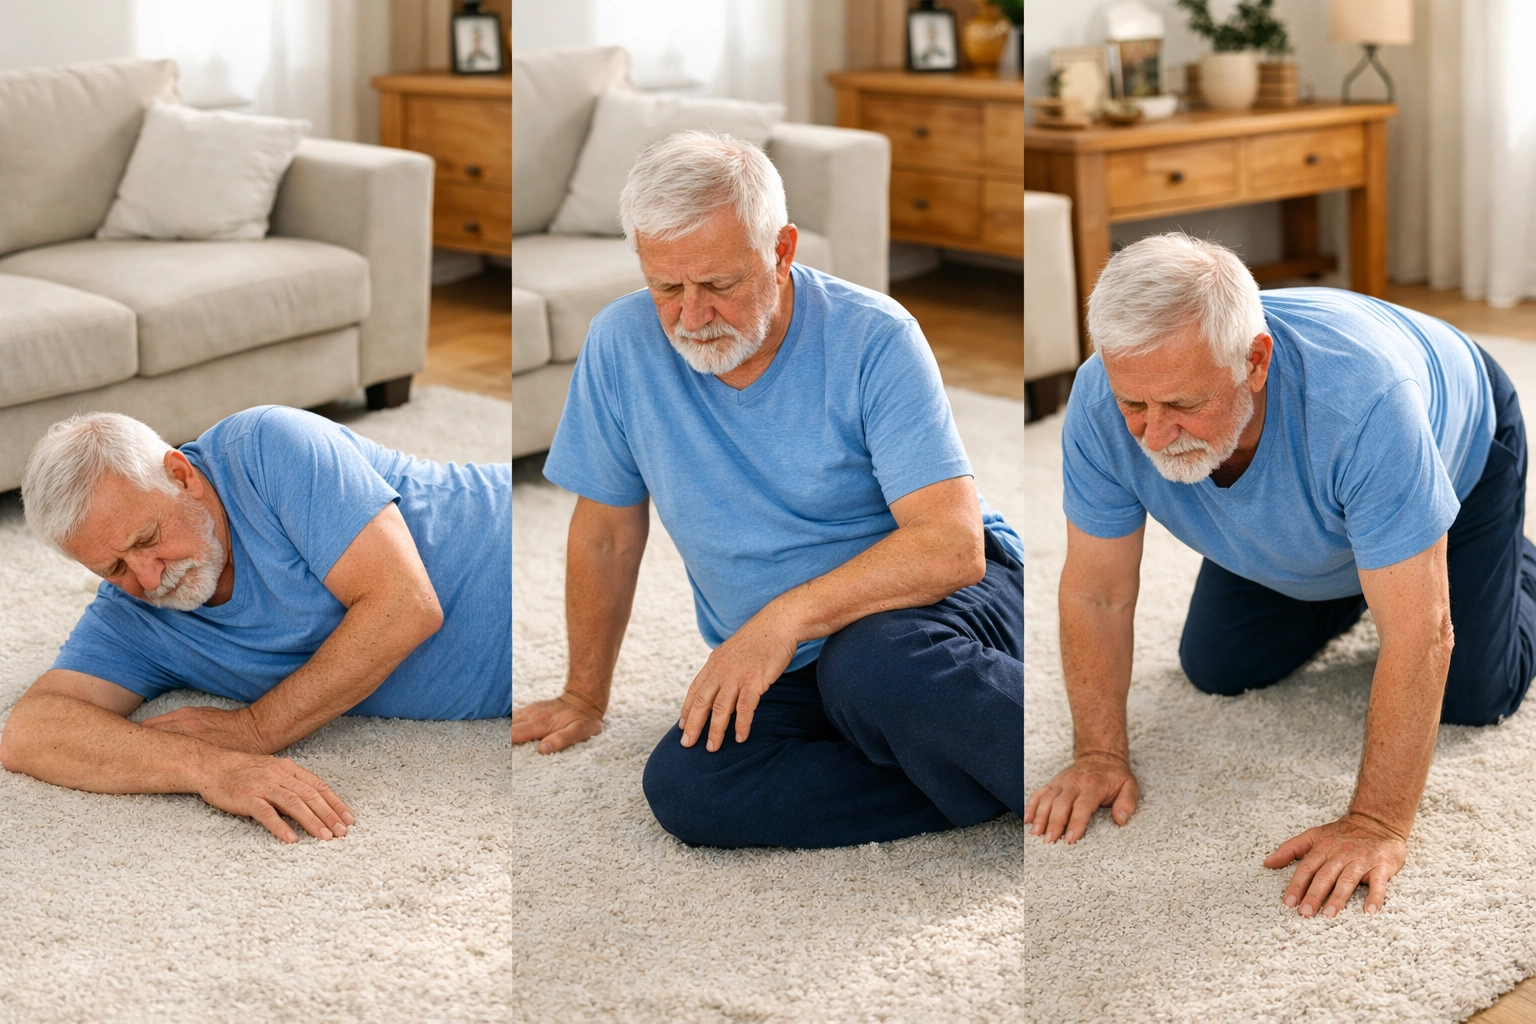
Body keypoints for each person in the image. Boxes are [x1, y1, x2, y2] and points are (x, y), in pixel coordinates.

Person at [510, 130, 1023, 848]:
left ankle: (1033, 759)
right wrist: (583, 693)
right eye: (667, 287)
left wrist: (781, 620)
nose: (691, 316)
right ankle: (962, 762)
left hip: (927, 613)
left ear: (781, 252)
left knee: (870, 667)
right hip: (787, 657)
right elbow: (605, 531)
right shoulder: (619, 344)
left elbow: (951, 548)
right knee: (690, 790)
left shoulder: (875, 337)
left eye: (719, 285)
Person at [1026, 232, 1536, 917]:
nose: (1152, 434)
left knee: (1474, 694)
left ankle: (1465, 554)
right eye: (1134, 405)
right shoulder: (1099, 404)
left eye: (1182, 404)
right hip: (1333, 500)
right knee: (1219, 667)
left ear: (1255, 362)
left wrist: (1376, 825)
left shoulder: (1365, 400)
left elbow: (1423, 634)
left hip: (1464, 448)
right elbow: (1097, 591)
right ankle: (1378, 557)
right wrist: (1096, 753)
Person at [0, 408, 511, 843]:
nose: (148, 577)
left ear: (181, 475)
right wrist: (206, 766)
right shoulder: (133, 610)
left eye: (147, 538)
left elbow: (405, 605)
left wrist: (252, 729)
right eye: (112, 568)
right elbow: (30, 732)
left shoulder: (270, 446)